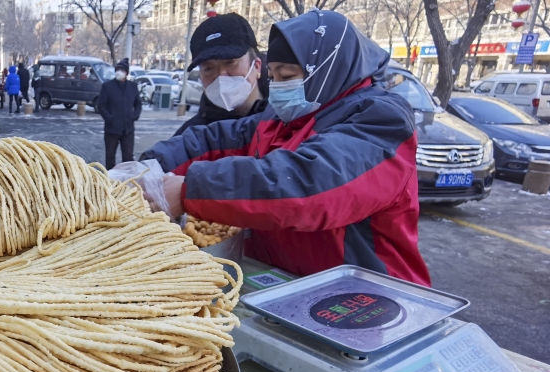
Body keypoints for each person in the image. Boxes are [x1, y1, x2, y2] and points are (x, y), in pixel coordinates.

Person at [140, 10, 430, 286]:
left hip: (368, 300)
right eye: (274, 77)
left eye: (288, 77)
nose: (277, 87)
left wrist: (189, 191)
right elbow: (213, 141)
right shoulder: (283, 119)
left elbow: (307, 183)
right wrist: (151, 166)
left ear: (327, 70)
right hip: (287, 285)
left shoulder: (380, 121)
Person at [176, 14, 269, 136]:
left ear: (256, 66)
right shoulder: (191, 137)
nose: (221, 76)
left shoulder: (285, 124)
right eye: (209, 68)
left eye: (230, 62)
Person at [98, 58, 142, 170]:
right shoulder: (107, 86)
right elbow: (101, 105)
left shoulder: (132, 86)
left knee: (128, 157)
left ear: (126, 73)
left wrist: (134, 116)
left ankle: (126, 179)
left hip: (128, 129)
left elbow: (138, 104)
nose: (119, 72)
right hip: (111, 129)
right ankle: (110, 179)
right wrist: (109, 118)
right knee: (110, 156)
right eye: (118, 69)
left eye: (122, 70)